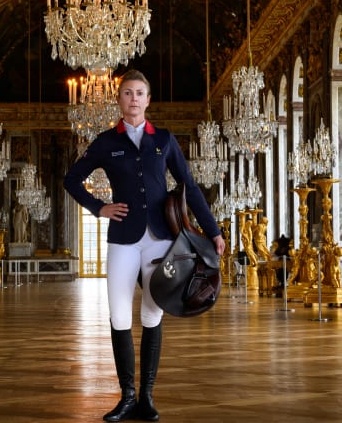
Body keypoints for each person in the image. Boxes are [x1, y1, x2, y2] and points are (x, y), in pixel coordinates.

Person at [65, 70, 225, 422]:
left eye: (140, 93)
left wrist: (212, 230)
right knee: (119, 315)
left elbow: (190, 187)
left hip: (161, 240)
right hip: (123, 238)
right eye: (127, 93)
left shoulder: (164, 139)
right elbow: (71, 179)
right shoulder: (106, 142)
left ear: (148, 100)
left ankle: (147, 398)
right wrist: (99, 207)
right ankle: (127, 397)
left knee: (153, 313)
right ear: (119, 100)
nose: (133, 99)